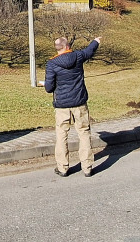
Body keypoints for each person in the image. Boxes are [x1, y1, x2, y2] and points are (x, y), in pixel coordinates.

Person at [44, 35, 102, 178]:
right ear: (68, 46)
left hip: (62, 105)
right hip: (79, 102)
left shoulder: (51, 64)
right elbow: (89, 51)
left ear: (57, 49)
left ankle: (63, 167)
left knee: (62, 134)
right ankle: (87, 167)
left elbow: (49, 87)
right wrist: (96, 41)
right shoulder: (78, 56)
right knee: (84, 133)